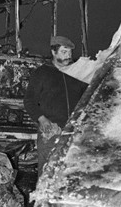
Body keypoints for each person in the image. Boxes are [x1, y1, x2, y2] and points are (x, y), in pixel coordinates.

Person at [24, 36, 88, 177]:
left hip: (73, 132)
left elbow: (87, 99)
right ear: (54, 52)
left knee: (70, 174)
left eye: (70, 53)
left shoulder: (77, 74)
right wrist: (41, 119)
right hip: (51, 131)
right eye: (64, 52)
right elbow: (29, 101)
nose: (69, 56)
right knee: (47, 172)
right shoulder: (42, 73)